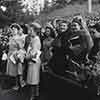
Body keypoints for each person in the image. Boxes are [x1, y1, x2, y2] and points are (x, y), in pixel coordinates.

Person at [6, 23, 26, 90]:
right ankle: (16, 84)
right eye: (12, 29)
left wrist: (17, 54)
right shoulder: (10, 38)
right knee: (14, 72)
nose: (13, 31)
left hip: (16, 55)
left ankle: (19, 84)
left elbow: (21, 48)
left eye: (14, 29)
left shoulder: (19, 38)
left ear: (18, 30)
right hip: (10, 55)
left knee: (18, 71)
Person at [26, 22, 41, 100]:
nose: (29, 32)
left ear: (35, 31)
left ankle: (32, 95)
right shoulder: (33, 38)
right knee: (34, 77)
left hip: (34, 61)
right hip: (33, 60)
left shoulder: (36, 39)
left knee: (33, 79)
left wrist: (26, 57)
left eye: (31, 30)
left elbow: (33, 53)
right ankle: (36, 93)